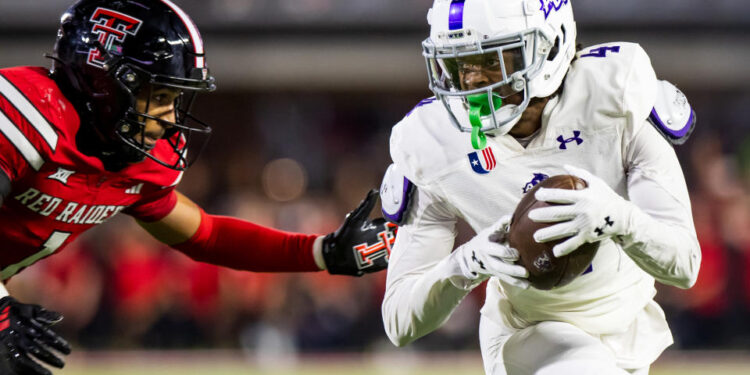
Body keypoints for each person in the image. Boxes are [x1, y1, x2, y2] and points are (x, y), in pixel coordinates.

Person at [0, 1, 394, 374]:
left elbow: (206, 234)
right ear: (102, 81)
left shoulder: (136, 159)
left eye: (176, 98)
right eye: (159, 96)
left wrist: (320, 252)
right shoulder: (29, 112)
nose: (170, 118)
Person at [379, 0, 701, 374]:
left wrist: (617, 218)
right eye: (460, 64)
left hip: (626, 320)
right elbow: (400, 321)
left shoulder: (614, 97)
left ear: (549, 46)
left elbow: (684, 266)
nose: (473, 81)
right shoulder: (433, 142)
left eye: (492, 60)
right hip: (528, 333)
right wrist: (464, 265)